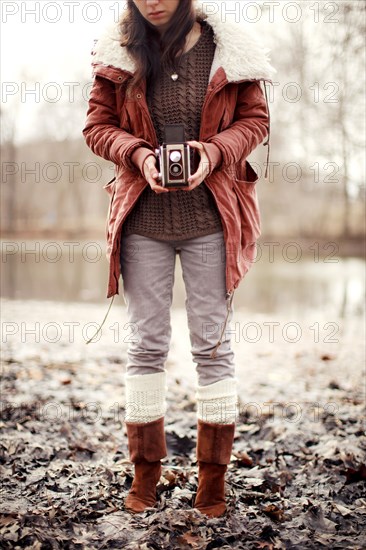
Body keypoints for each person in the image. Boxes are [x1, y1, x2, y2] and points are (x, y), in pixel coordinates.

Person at [83, 0, 275, 517]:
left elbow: (256, 121)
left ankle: (212, 484)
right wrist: (139, 156)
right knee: (146, 345)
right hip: (142, 221)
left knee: (212, 347)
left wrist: (211, 154)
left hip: (213, 220)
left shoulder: (230, 49)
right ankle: (145, 478)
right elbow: (96, 126)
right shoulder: (118, 50)